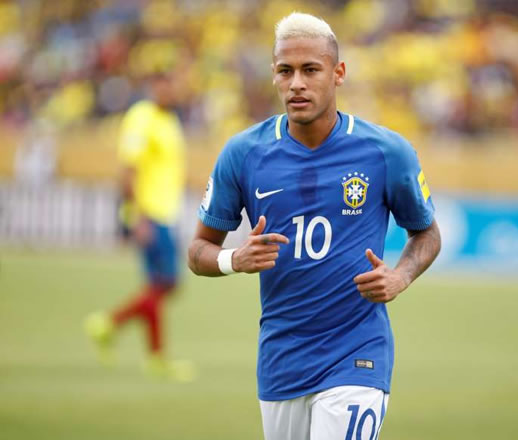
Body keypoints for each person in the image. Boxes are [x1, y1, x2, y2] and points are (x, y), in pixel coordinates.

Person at [188, 12, 440, 439]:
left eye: (310, 70)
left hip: (357, 353)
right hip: (281, 359)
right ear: (273, 74)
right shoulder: (243, 154)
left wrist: (400, 276)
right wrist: (235, 259)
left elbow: (427, 233)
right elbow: (197, 252)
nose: (296, 84)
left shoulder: (386, 152)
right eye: (285, 71)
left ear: (338, 73)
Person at [85, 69, 194, 382]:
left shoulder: (170, 121)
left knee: (157, 285)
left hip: (166, 211)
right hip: (150, 213)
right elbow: (128, 170)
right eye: (163, 86)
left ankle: (153, 356)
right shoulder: (141, 118)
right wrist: (137, 216)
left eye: (172, 86)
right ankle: (109, 323)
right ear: (152, 87)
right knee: (168, 282)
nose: (169, 92)